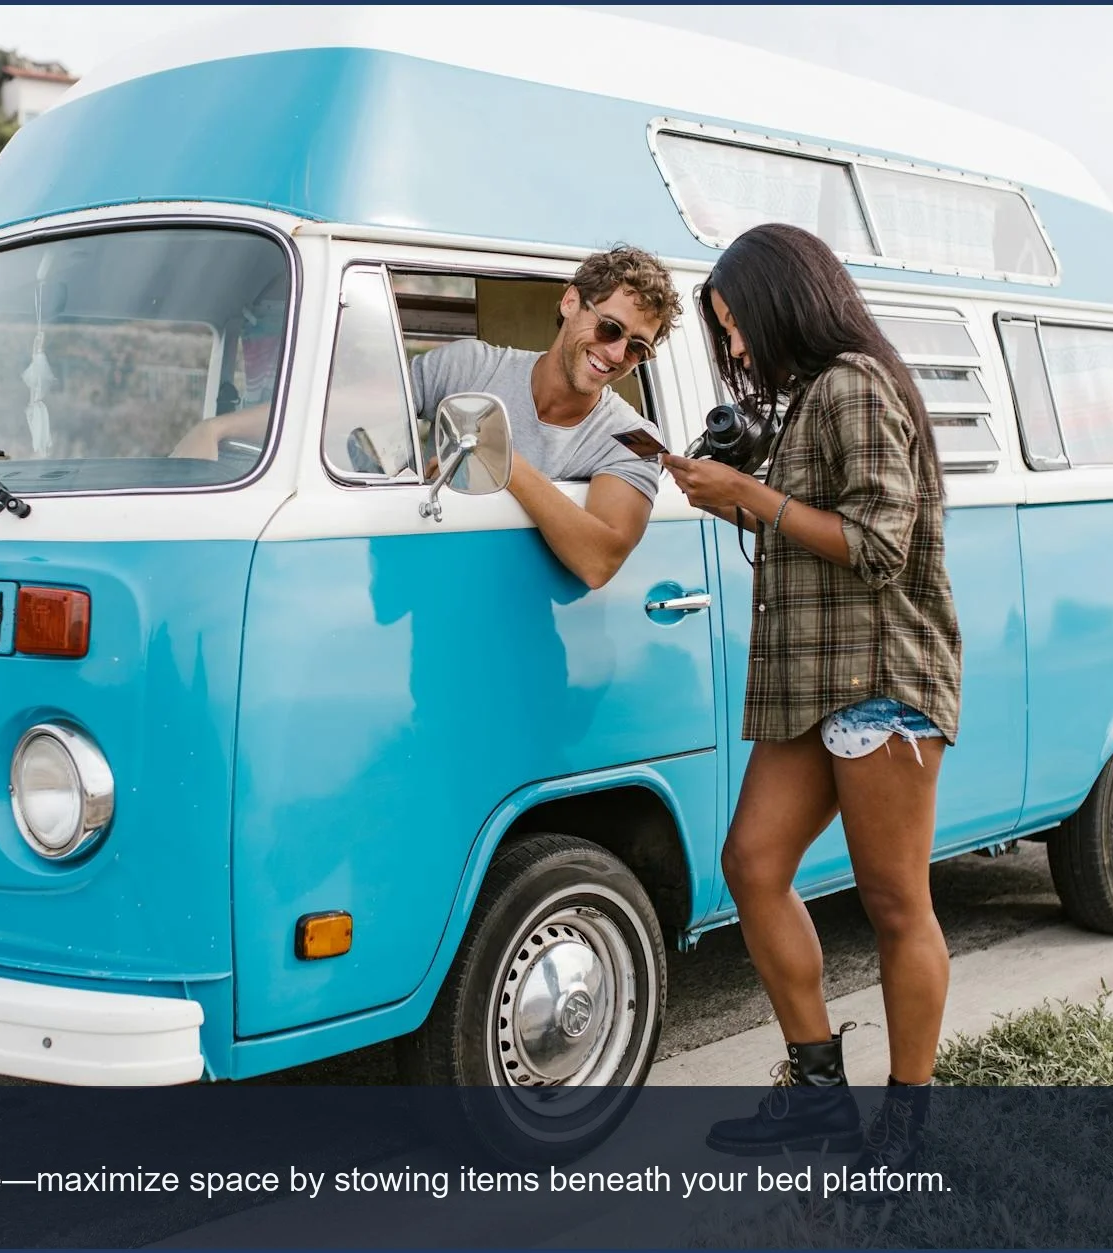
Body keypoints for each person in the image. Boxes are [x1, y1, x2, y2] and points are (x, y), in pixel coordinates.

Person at [662, 223, 962, 1171]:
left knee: (894, 904)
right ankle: (819, 1090)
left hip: (879, 680)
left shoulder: (855, 385)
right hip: (810, 680)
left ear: (785, 300)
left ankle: (907, 1126)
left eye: (738, 326)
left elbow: (877, 544)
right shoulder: (803, 400)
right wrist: (736, 489)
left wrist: (750, 499)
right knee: (752, 863)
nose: (738, 347)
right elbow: (812, 524)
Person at [177, 245, 683, 589]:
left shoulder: (634, 438)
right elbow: (350, 406)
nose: (617, 355)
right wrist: (218, 428)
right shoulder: (472, 366)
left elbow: (600, 559)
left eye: (637, 348)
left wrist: (498, 460)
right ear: (571, 301)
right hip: (434, 607)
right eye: (611, 329)